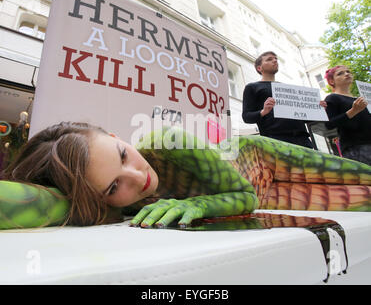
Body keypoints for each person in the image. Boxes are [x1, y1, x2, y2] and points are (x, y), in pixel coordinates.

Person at [2, 121, 371, 230]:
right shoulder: (104, 208)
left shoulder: (168, 142)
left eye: (122, 154)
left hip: (258, 164)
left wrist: (196, 203)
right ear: (95, 200)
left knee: (361, 176)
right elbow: (35, 204)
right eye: (114, 185)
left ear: (117, 137)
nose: (137, 176)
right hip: (263, 203)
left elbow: (244, 196)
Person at [242, 51, 326, 149]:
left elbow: (301, 116)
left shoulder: (288, 89)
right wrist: (263, 112)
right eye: (269, 59)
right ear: (259, 68)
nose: (274, 61)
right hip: (275, 140)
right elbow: (246, 116)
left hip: (303, 140)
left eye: (275, 58)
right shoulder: (252, 87)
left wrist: (318, 109)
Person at [324, 65, 371, 165]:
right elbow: (329, 124)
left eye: (348, 71)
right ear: (332, 81)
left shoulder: (361, 99)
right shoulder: (332, 98)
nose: (347, 74)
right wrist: (353, 111)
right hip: (356, 148)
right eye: (340, 73)